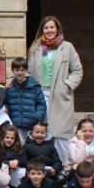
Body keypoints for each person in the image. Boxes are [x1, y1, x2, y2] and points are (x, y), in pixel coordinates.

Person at [26, 16, 83, 164]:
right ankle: (42, 167)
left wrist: (67, 85)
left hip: (59, 95)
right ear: (42, 30)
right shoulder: (36, 48)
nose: (49, 30)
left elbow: (77, 70)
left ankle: (63, 168)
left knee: (60, 133)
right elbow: (28, 72)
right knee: (40, 132)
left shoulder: (67, 47)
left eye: (52, 27)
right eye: (46, 28)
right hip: (39, 95)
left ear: (57, 29)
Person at [4, 58, 46, 142]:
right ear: (13, 71)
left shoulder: (34, 87)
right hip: (16, 125)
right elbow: (5, 102)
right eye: (17, 70)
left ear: (26, 70)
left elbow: (41, 104)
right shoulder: (10, 87)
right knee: (18, 148)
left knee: (30, 148)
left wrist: (37, 118)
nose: (19, 73)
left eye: (22, 70)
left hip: (31, 125)